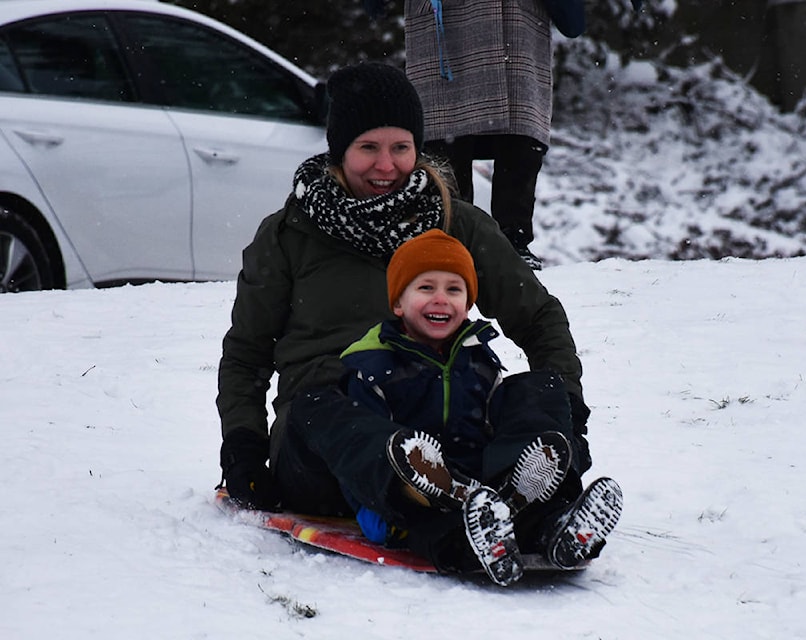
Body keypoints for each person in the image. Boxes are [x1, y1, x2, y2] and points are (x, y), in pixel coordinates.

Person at [215, 62, 616, 584]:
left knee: (536, 390)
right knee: (322, 408)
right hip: (328, 445)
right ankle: (453, 527)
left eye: (401, 147)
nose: (387, 165)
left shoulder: (454, 223)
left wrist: (566, 404)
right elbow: (247, 351)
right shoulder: (290, 233)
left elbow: (538, 317)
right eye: (368, 148)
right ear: (340, 150)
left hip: (444, 425)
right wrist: (243, 445)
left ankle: (542, 511)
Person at [327, 228, 622, 585]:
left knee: (540, 386)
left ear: (468, 305)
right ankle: (476, 542)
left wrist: (552, 437)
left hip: (481, 486)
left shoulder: (479, 359)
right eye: (425, 288)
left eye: (454, 290)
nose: (441, 299)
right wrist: (386, 506)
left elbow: (496, 421)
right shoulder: (373, 367)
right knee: (438, 524)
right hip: (412, 499)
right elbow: (360, 456)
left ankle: (554, 524)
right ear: (398, 303)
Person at [368, 0, 559, 269]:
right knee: (444, 143)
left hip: (517, 23)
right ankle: (449, 238)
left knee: (521, 139)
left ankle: (513, 242)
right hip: (445, 23)